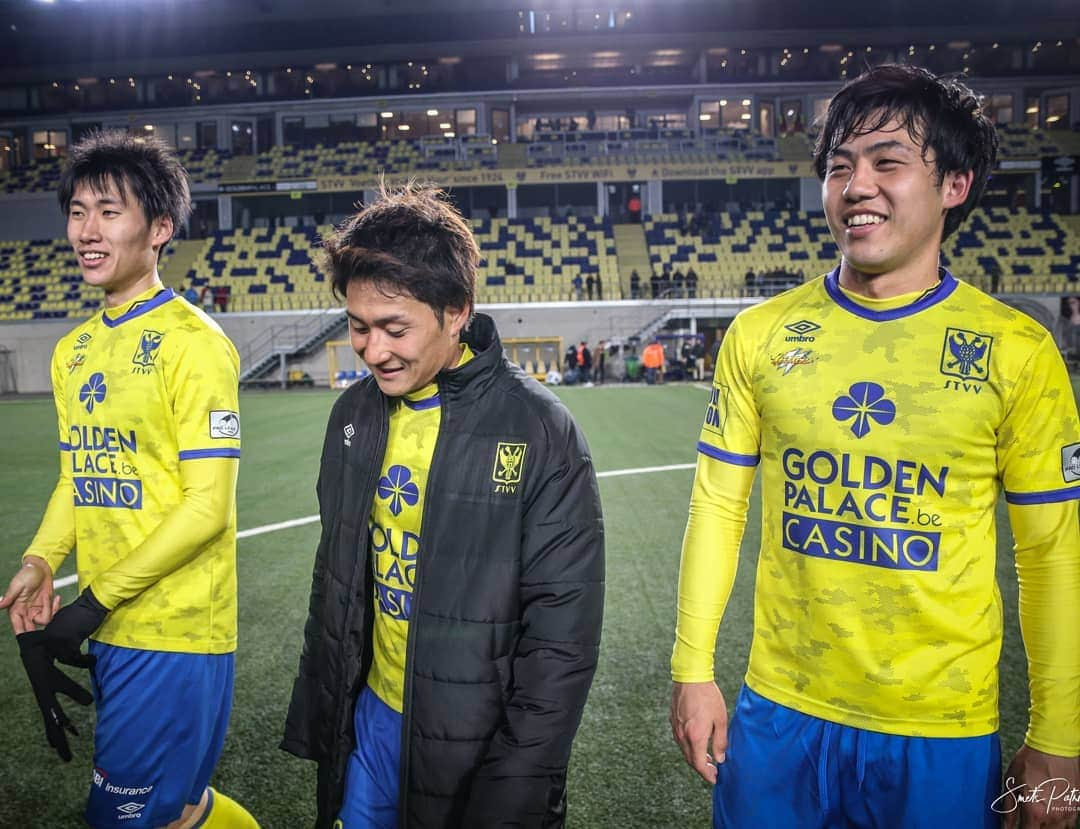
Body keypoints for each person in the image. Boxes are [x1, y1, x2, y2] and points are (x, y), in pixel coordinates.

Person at [670, 64, 1080, 829]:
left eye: (887, 162)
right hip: (779, 710)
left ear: (955, 184)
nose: (856, 185)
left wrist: (1058, 733)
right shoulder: (761, 335)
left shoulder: (1017, 351)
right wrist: (692, 668)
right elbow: (718, 506)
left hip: (940, 728)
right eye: (838, 167)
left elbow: (1050, 553)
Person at [281, 183, 605, 828]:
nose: (373, 352)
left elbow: (562, 634)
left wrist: (521, 774)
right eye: (358, 328)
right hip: (370, 715)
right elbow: (339, 578)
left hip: (475, 734)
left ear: (456, 311)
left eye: (395, 328)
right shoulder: (353, 414)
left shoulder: (538, 427)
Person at [0, 130, 257, 828]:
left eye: (110, 211)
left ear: (161, 228)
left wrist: (93, 600)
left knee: (121, 817)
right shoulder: (72, 350)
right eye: (78, 209)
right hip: (112, 624)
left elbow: (208, 507)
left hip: (174, 630)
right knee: (173, 808)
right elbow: (75, 477)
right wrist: (41, 559)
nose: (87, 229)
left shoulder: (195, 345)